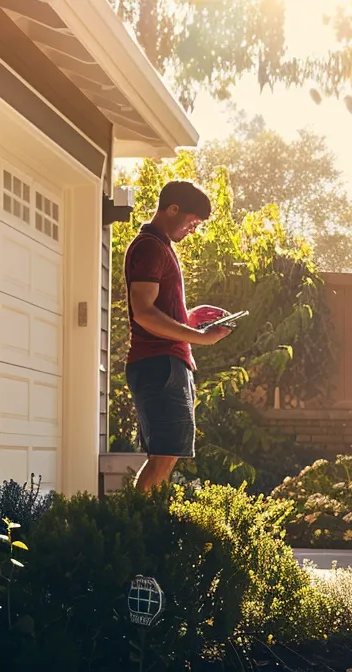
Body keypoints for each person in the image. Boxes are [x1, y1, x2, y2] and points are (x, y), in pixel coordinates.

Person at [123, 180, 231, 492]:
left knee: (169, 455)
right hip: (158, 365)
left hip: (166, 363)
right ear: (172, 209)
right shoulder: (149, 248)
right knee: (164, 455)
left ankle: (147, 524)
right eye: (192, 221)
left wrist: (191, 320)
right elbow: (143, 312)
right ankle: (139, 530)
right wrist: (201, 339)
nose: (193, 229)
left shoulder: (161, 248)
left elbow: (158, 311)